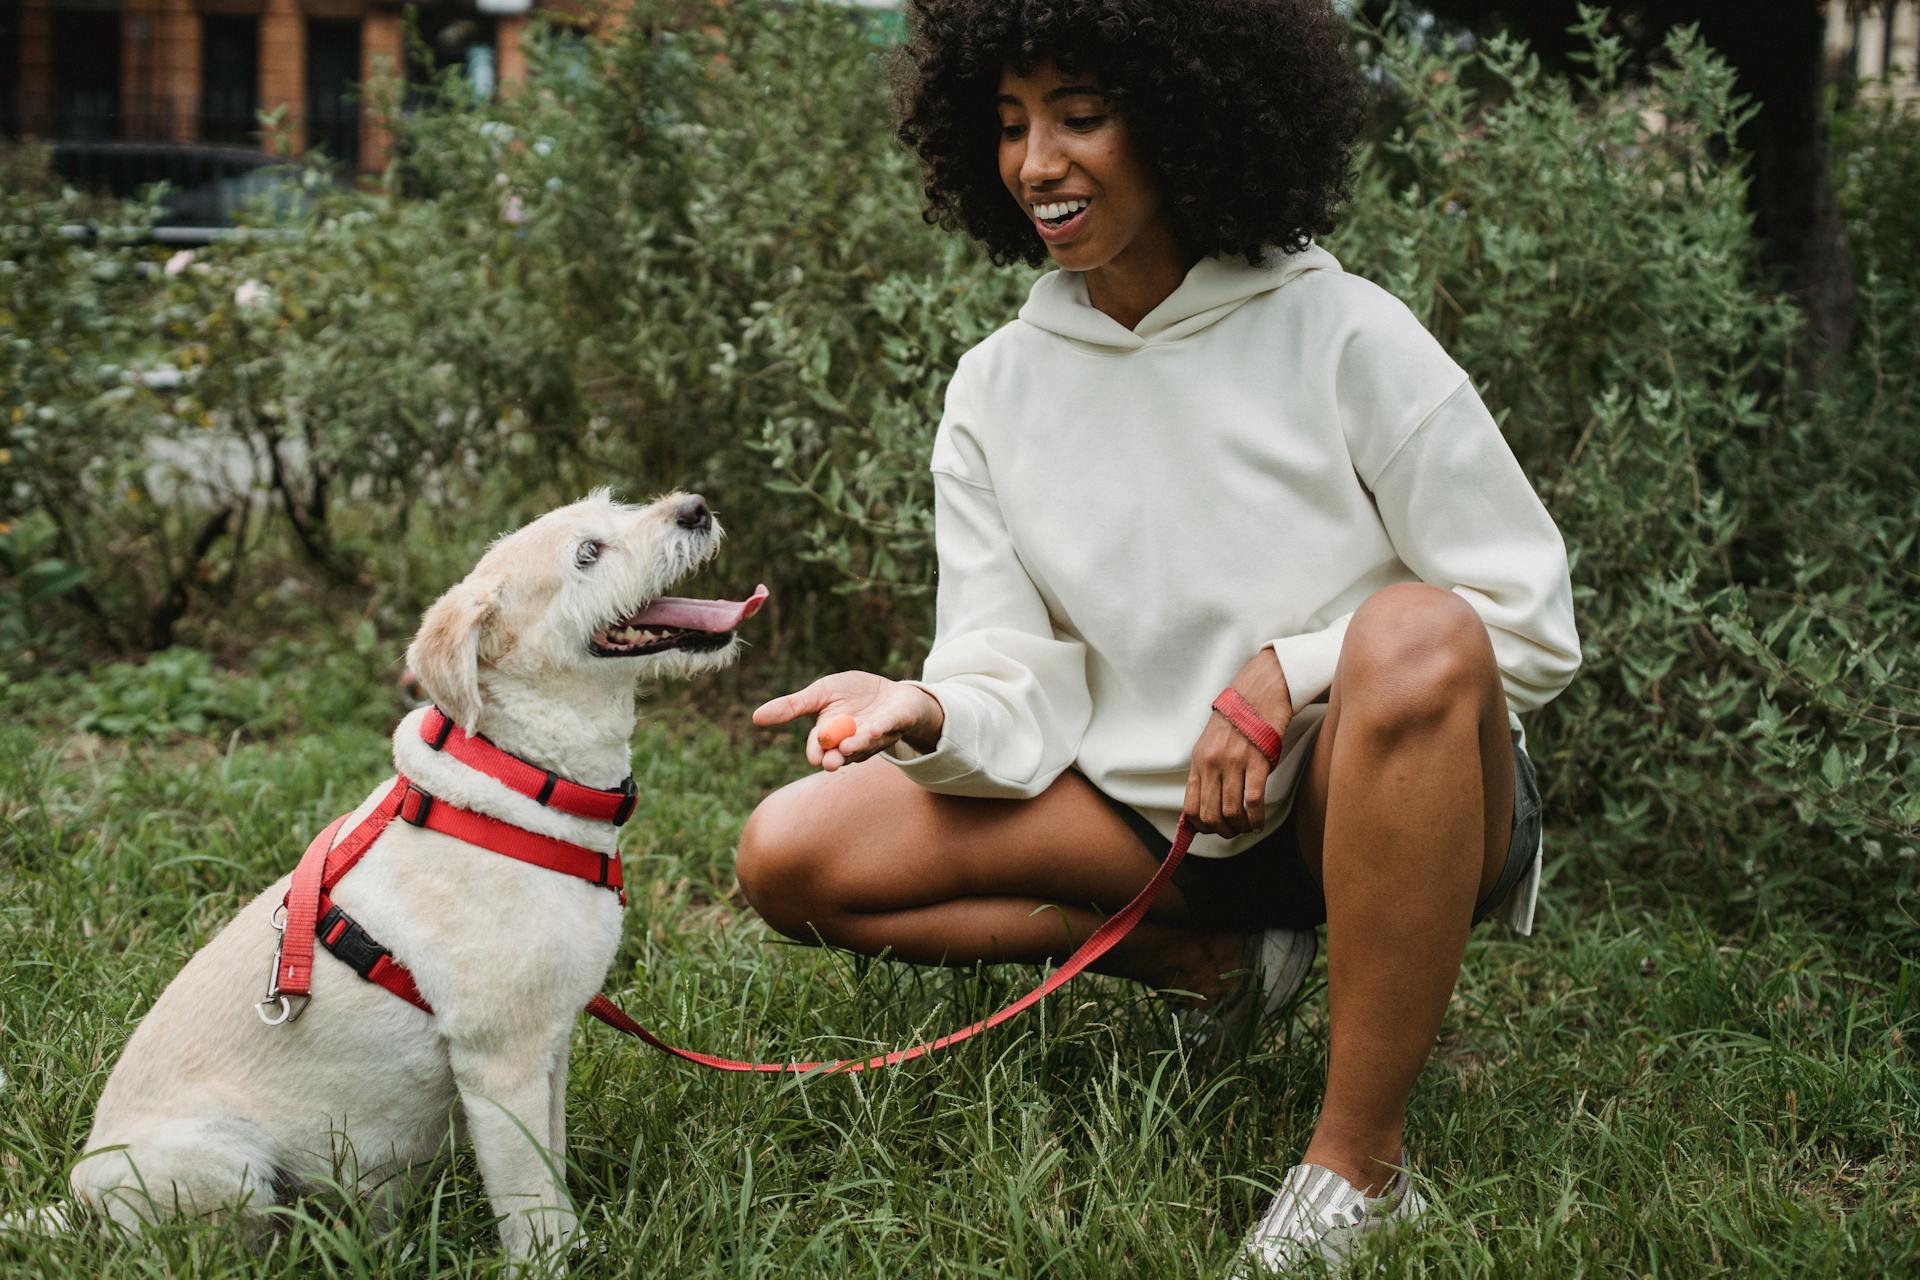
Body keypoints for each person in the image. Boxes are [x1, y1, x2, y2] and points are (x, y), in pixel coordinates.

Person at [737, 0, 1580, 1269]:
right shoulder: (995, 387)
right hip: (1160, 821)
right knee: (789, 854)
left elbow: (1525, 619)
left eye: (1081, 116)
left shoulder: (1344, 328)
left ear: (1187, 118)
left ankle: (1359, 1161)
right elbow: (1012, 668)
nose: (1036, 163)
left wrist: (1290, 672)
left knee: (1413, 630)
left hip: (1375, 794)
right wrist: (933, 707)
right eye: (1012, 125)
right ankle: (1208, 957)